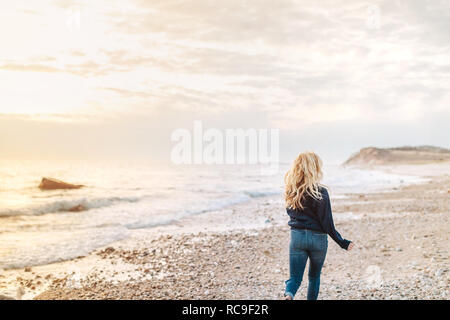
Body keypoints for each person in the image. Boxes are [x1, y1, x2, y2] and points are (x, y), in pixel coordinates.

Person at [284, 152, 354, 300]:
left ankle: (288, 296)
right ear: (315, 168)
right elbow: (327, 222)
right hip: (318, 239)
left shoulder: (292, 191)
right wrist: (342, 242)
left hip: (297, 237)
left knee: (295, 279)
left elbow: (291, 214)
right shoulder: (320, 192)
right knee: (314, 277)